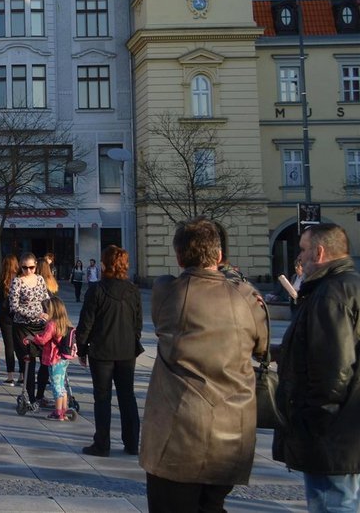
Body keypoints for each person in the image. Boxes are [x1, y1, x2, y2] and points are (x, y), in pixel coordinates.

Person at [140, 218, 267, 511]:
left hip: (177, 434)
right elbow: (261, 346)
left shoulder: (166, 291)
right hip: (232, 433)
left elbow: (163, 310)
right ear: (220, 256)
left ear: (178, 257)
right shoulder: (247, 296)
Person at [274, 224, 360, 513]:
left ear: (319, 252)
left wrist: (313, 420)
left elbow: (332, 368)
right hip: (349, 423)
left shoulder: (330, 294)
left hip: (332, 430)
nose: (300, 256)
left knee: (332, 503)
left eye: (302, 249)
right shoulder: (351, 284)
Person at [74, 244, 142, 458]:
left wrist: (82, 348)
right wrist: (133, 341)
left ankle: (102, 444)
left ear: (104, 264)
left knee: (102, 398)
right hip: (126, 350)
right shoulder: (133, 290)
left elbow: (86, 322)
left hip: (102, 351)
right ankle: (132, 442)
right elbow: (137, 323)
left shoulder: (97, 290)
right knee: (127, 396)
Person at [9, 252, 50, 408]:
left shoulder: (40, 279)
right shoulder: (17, 282)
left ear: (36, 266)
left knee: (46, 360)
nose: (28, 271)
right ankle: (31, 397)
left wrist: (50, 313)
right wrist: (35, 313)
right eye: (25, 268)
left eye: (31, 267)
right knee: (29, 362)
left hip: (40, 325)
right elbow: (14, 307)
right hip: (23, 326)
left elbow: (45, 298)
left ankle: (40, 394)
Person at [24, 296, 74, 421]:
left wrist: (31, 337)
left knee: (56, 386)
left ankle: (57, 412)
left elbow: (43, 340)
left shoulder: (52, 324)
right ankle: (63, 410)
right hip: (63, 358)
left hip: (53, 359)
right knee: (61, 385)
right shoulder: (65, 322)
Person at [0, 255, 20, 386]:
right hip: (18, 315)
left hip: (5, 315)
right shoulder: (20, 279)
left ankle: (10, 375)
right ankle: (22, 374)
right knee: (21, 345)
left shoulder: (1, 279)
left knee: (9, 346)